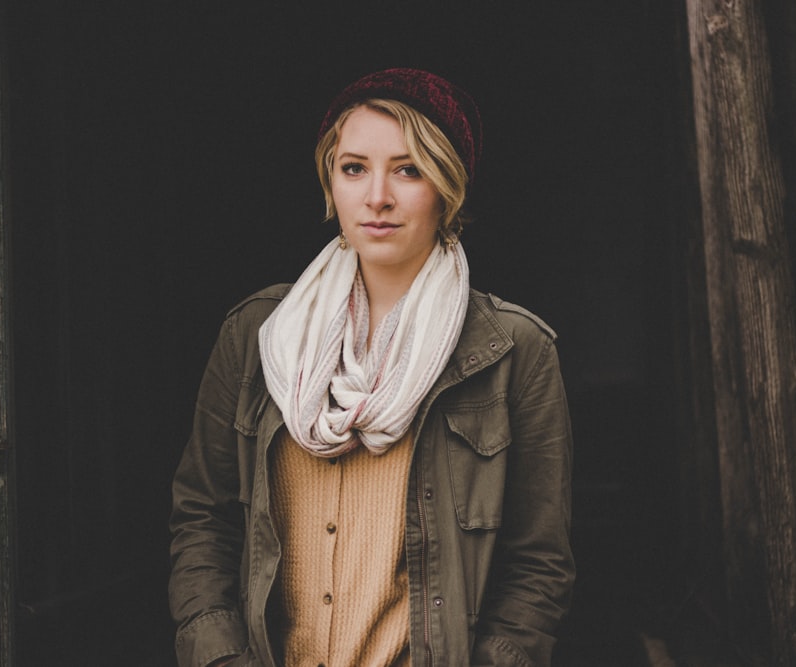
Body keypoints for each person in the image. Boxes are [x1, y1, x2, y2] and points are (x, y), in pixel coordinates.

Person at [168, 68, 574, 667]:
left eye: (408, 169)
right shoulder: (257, 335)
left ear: (448, 186)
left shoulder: (514, 349)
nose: (377, 195)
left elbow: (539, 563)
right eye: (354, 167)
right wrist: (220, 656)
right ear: (330, 183)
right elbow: (203, 518)